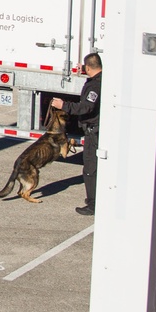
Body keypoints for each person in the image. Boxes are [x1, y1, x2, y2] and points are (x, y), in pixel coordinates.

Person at [51, 53, 102, 216]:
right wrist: (86, 72)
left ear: (88, 67)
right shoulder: (101, 79)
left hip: (93, 132)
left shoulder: (95, 86)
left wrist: (63, 105)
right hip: (96, 130)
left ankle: (93, 204)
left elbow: (86, 107)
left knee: (90, 169)